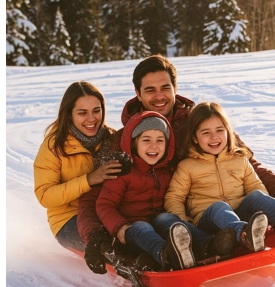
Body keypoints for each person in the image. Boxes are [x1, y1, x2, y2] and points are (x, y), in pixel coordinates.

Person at [78, 54, 275, 273]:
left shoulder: (200, 123)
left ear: (175, 88)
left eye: (165, 88)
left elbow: (247, 163)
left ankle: (224, 239)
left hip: (211, 214)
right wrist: (95, 235)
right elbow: (95, 196)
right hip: (160, 222)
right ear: (137, 93)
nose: (159, 96)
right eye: (150, 90)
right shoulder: (122, 141)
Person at [165, 102, 275, 253]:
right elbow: (174, 198)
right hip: (208, 219)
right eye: (206, 133)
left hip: (240, 215)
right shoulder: (187, 166)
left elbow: (255, 186)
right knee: (219, 207)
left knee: (256, 195)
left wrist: (265, 212)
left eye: (219, 130)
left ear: (228, 132)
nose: (214, 137)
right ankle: (245, 235)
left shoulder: (239, 160)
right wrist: (185, 224)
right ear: (194, 138)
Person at [95, 111, 236, 272]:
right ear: (134, 143)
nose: (154, 146)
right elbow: (104, 204)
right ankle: (167, 254)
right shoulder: (123, 171)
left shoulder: (167, 170)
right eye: (146, 140)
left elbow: (178, 195)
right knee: (142, 227)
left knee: (167, 218)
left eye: (160, 140)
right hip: (132, 233)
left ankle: (209, 245)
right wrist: (119, 227)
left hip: (160, 228)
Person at [33, 81, 122, 251]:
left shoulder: (111, 139)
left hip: (108, 210)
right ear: (69, 114)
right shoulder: (54, 146)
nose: (91, 119)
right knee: (109, 240)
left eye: (97, 111)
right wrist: (89, 180)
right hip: (68, 218)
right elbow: (45, 196)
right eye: (82, 113)